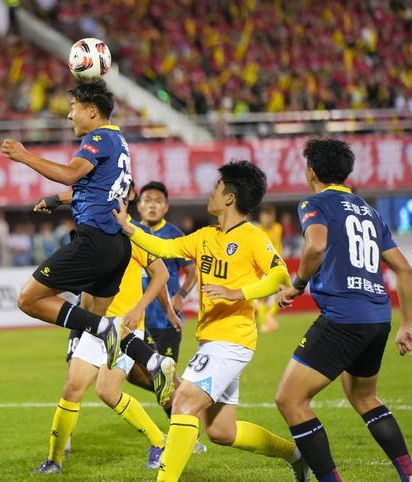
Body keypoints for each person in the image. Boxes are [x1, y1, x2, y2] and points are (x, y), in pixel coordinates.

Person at [114, 161, 310, 482]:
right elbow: (165, 247)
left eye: (216, 187)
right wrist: (128, 227)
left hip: (232, 340)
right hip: (211, 340)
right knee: (221, 431)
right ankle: (297, 455)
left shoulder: (252, 237)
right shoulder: (206, 236)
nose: (210, 192)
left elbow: (279, 276)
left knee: (183, 402)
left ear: (230, 197)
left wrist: (238, 293)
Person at [0, 80, 175, 388]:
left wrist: (24, 155)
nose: (69, 116)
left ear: (92, 111)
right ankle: (151, 361)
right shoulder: (119, 141)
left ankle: (114, 336)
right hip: (118, 246)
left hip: (95, 240)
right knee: (96, 324)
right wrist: (56, 200)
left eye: (73, 108)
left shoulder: (99, 137)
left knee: (28, 300)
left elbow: (71, 174)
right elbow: (91, 189)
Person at [275, 138, 412, 482]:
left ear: (311, 171)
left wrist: (297, 285)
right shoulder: (369, 211)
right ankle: (411, 476)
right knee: (364, 396)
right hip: (378, 318)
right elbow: (405, 270)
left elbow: (315, 246)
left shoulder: (315, 203)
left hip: (343, 317)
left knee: (290, 400)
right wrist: (408, 324)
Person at [37, 220, 173, 474]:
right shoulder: (91, 235)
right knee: (71, 389)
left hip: (125, 329)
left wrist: (139, 308)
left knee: (107, 391)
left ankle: (159, 442)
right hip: (96, 327)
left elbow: (162, 274)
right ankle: (54, 461)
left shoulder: (132, 234)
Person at [136, 181, 197, 374]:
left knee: (165, 375)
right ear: (139, 206)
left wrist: (180, 296)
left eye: (158, 201)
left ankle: (181, 394)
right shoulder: (131, 232)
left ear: (166, 207)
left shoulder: (174, 235)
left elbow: (192, 272)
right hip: (136, 318)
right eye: (147, 200)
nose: (152, 206)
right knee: (133, 374)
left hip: (166, 320)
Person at [254, 203, 283, 332]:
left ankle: (269, 317)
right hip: (263, 267)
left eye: (270, 215)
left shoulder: (278, 228)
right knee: (263, 297)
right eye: (265, 216)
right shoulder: (257, 230)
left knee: (281, 293)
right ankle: (265, 323)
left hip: (277, 266)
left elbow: (278, 247)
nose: (267, 219)